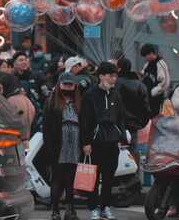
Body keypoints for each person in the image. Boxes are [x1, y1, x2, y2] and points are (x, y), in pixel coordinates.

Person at [80, 62, 132, 220]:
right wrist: (85, 142)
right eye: (110, 75)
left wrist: (121, 137)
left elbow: (121, 118)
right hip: (95, 141)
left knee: (109, 177)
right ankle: (94, 208)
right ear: (101, 76)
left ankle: (105, 207)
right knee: (93, 177)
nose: (113, 78)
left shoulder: (116, 94)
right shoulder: (90, 95)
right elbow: (85, 120)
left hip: (112, 141)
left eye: (115, 75)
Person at [43, 72, 83, 220]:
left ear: (75, 86)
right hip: (58, 146)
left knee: (71, 180)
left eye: (70, 84)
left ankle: (70, 210)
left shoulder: (78, 102)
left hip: (74, 146)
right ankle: (55, 211)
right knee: (57, 179)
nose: (67, 86)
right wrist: (49, 149)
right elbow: (46, 128)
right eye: (65, 84)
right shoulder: (51, 102)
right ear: (59, 84)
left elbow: (84, 123)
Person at [115, 58, 151, 165]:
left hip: (118, 125)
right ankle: (134, 175)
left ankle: (120, 177)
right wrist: (140, 122)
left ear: (119, 68)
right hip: (135, 125)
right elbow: (146, 108)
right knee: (133, 151)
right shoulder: (140, 85)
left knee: (118, 152)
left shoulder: (116, 83)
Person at [0, 73, 35, 144]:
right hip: (25, 140)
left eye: (0, 88)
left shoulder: (10, 101)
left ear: (7, 86)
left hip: (12, 142)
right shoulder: (26, 99)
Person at [140, 44, 171, 117]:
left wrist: (152, 92)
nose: (145, 58)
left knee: (154, 117)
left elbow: (165, 82)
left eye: (146, 55)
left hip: (156, 98)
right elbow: (143, 74)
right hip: (146, 96)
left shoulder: (160, 63)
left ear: (151, 53)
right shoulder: (147, 64)